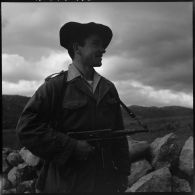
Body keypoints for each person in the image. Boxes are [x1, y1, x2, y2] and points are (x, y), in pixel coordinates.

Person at [16, 22, 131, 193]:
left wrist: (123, 174)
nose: (103, 49)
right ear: (77, 47)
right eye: (96, 43)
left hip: (105, 183)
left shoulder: (108, 88)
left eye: (103, 45)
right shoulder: (55, 87)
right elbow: (26, 129)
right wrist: (71, 146)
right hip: (65, 183)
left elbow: (118, 136)